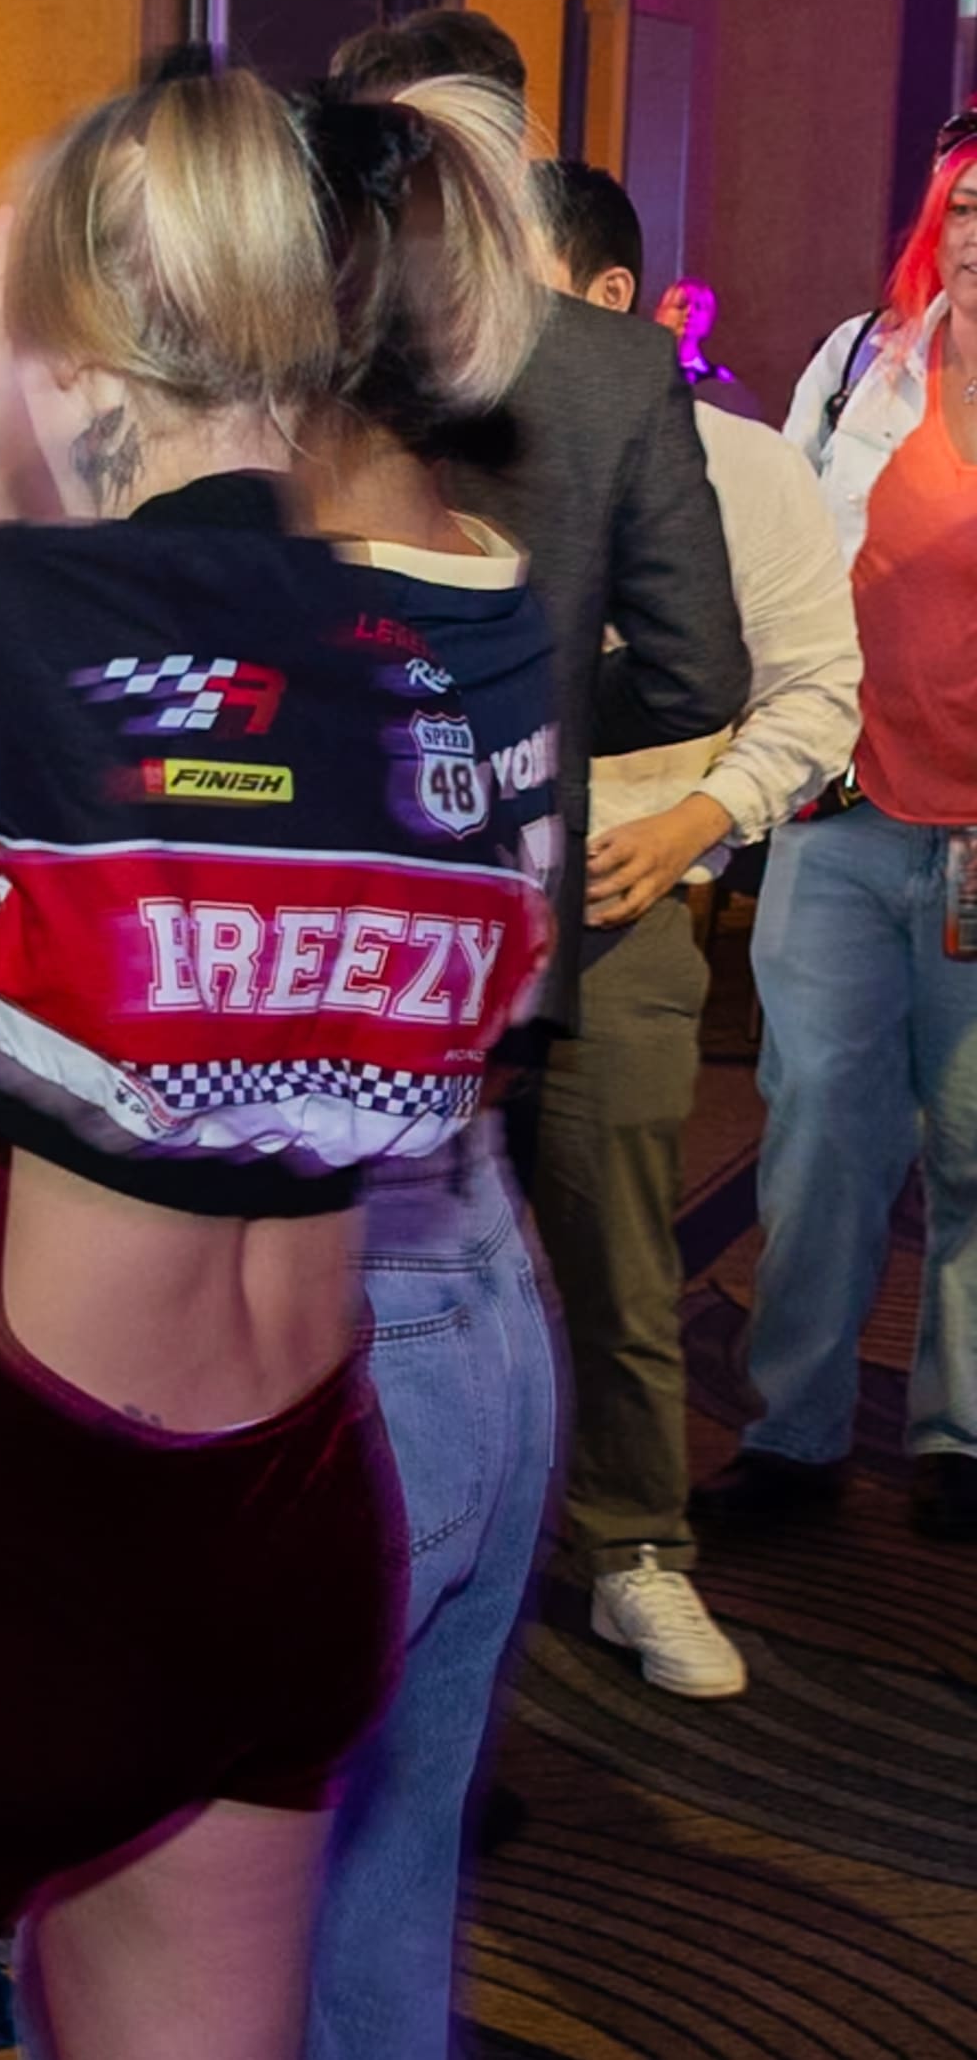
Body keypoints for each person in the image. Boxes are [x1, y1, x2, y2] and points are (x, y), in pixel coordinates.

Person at [0, 69, 552, 2057]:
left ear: (79, 361)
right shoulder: (434, 661)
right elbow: (453, 1048)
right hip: (307, 1528)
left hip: (18, 1537)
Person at [275, 82, 575, 2056]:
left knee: (190, 1928)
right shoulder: (486, 572)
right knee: (377, 1912)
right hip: (475, 1287)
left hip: (345, 1316)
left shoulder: (294, 625)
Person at [513, 161, 854, 1685]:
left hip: (624, 900)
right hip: (438, 918)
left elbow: (813, 690)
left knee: (620, 1253)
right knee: (413, 1261)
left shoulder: (740, 465)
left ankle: (635, 1547)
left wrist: (692, 823)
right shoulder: (422, 446)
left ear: (610, 303)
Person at [328, 12, 750, 1036]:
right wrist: (537, 709)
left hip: (308, 891)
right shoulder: (615, 367)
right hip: (509, 897)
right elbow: (696, 671)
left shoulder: (298, 345)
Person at [700, 112, 977, 1547]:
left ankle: (962, 1436)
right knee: (817, 1140)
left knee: (976, 1153)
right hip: (842, 814)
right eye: (966, 207)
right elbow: (785, 563)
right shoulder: (861, 362)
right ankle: (793, 1432)